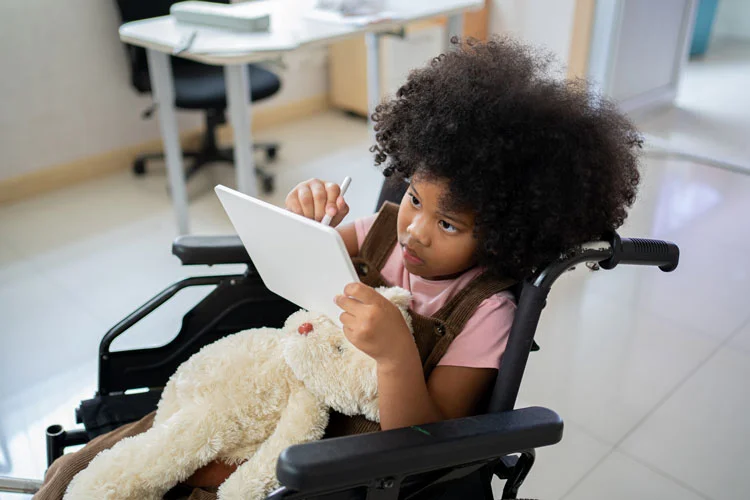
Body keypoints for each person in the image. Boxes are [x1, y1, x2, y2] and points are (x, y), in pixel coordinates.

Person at [34, 36, 641, 499]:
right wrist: (307, 222)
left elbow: (427, 445)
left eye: (448, 224)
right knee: (88, 462)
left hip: (345, 457)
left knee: (186, 472)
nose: (414, 231)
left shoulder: (484, 312)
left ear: (509, 232)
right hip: (266, 394)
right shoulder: (379, 232)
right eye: (414, 198)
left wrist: (398, 355)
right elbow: (292, 260)